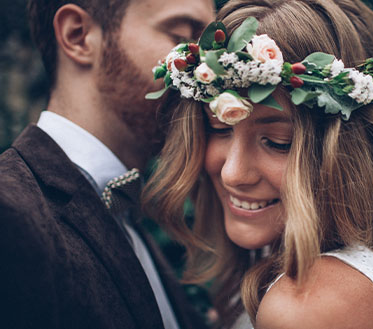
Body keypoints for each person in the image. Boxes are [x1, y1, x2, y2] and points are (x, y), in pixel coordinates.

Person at [144, 0, 373, 328]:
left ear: (347, 153)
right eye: (219, 129)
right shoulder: (306, 281)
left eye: (279, 143)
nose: (233, 173)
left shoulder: (309, 306)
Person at [0, 0, 214, 328]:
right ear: (79, 36)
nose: (206, 71)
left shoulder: (126, 210)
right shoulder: (9, 214)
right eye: (181, 38)